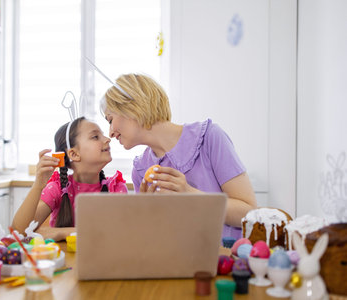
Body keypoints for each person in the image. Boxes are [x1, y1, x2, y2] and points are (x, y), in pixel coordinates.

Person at [101, 74, 256, 239]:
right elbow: (153, 238)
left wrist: (190, 194)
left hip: (226, 258)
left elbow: (249, 213)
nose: (110, 133)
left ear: (132, 107)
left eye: (110, 120)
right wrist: (147, 214)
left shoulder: (209, 137)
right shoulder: (141, 170)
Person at [12, 117, 128, 241]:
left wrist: (60, 233)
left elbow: (120, 233)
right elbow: (20, 232)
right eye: (95, 137)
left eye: (102, 135)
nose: (107, 139)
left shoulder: (116, 188)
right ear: (74, 154)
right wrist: (38, 185)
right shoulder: (58, 188)